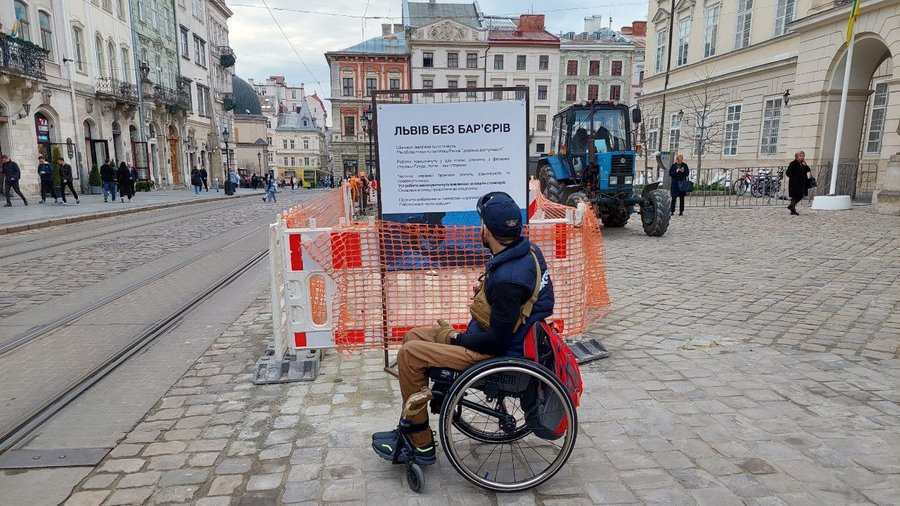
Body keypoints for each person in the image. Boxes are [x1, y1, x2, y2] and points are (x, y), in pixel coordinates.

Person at [371, 191, 555, 465]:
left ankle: (419, 440)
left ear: (487, 230)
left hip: (497, 353)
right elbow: (516, 304)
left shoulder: (509, 280)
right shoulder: (527, 251)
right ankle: (414, 415)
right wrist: (487, 296)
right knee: (412, 336)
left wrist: (456, 337)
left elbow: (497, 342)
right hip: (505, 336)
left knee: (410, 355)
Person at [785, 151, 811, 215]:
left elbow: (808, 170)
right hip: (794, 183)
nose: (802, 157)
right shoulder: (793, 163)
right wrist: (794, 178)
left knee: (801, 195)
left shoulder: (803, 163)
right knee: (794, 196)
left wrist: (805, 165)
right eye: (800, 156)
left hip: (802, 182)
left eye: (803, 156)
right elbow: (788, 172)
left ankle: (791, 206)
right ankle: (793, 210)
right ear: (796, 157)